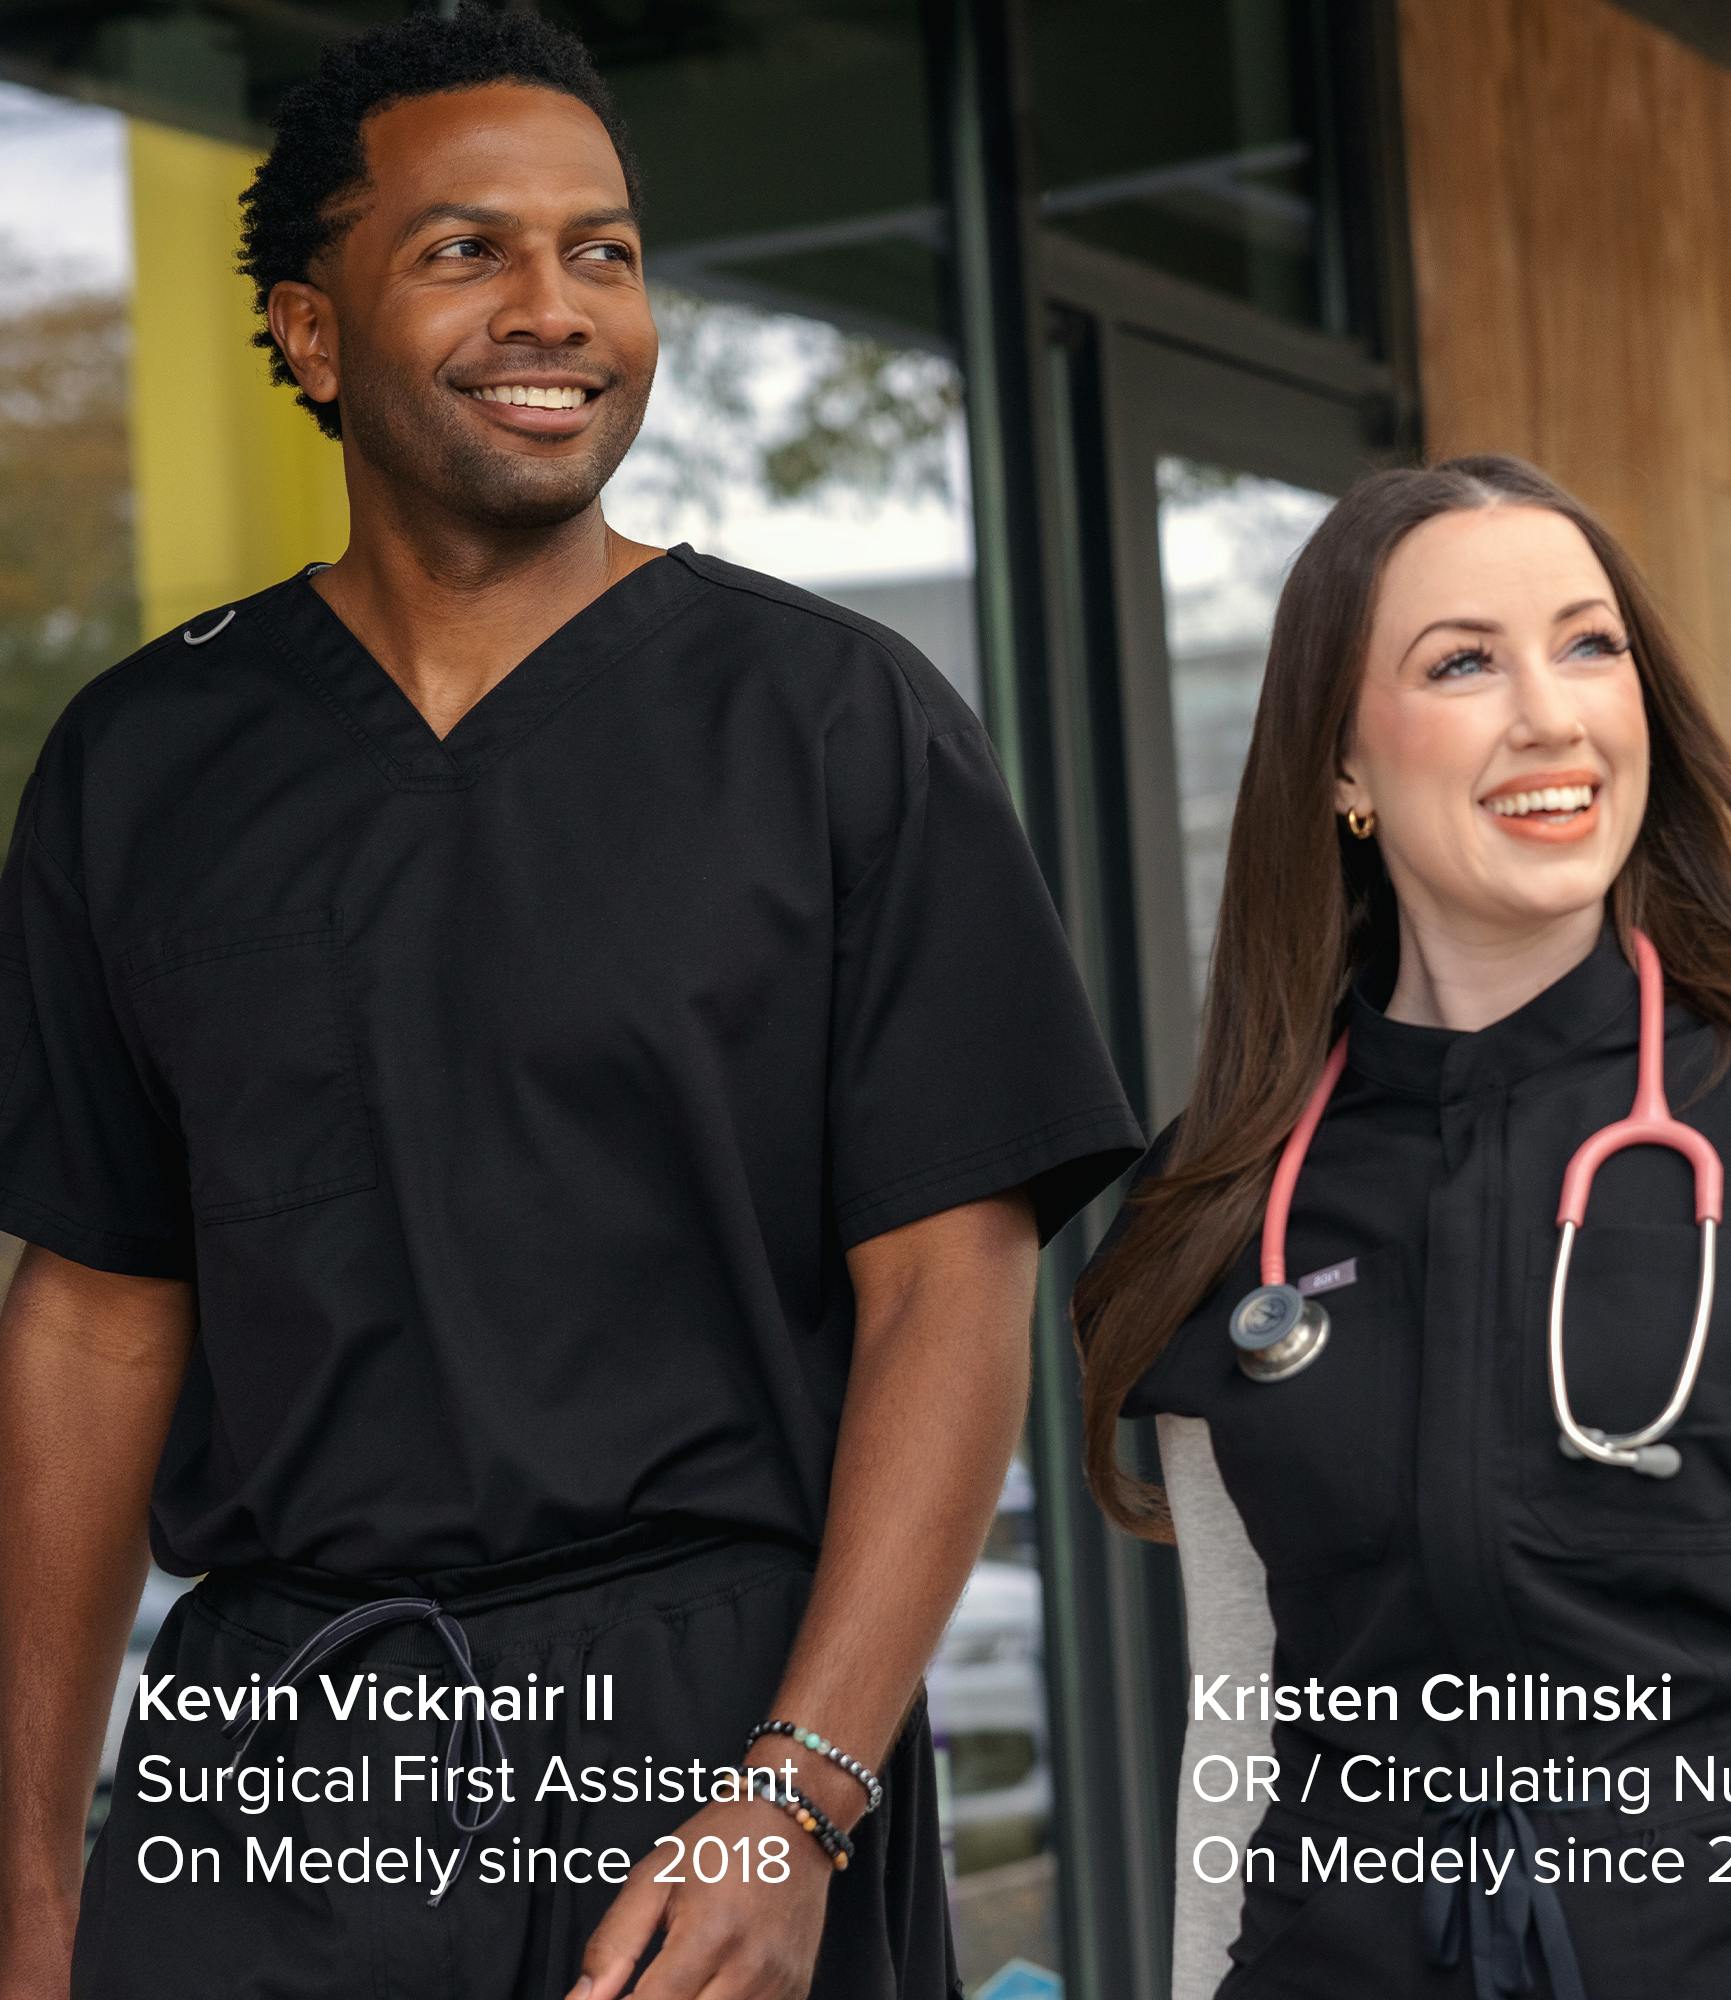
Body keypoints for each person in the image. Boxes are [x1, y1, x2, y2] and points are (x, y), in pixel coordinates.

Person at [0, 12, 1144, 1999]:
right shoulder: (144, 762)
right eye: (469, 250)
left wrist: (796, 1791)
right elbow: (95, 1318)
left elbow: (948, 1291)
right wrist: (23, 1882)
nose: (560, 309)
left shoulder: (839, 726)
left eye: (602, 252)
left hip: (705, 1755)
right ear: (307, 328)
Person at [1071, 456, 1731, 2000]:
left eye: (1589, 646)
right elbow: (1246, 1702)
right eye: (1463, 664)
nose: (1553, 716)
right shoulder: (1233, 1198)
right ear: (1340, 770)